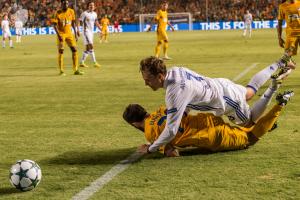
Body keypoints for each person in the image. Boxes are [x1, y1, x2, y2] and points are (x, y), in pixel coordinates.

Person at [138, 56, 295, 154]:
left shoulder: (174, 92)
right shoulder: (175, 71)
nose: (146, 83)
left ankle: (274, 86)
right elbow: (188, 96)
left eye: (148, 79)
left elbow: (171, 130)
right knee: (249, 92)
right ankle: (281, 61)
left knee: (250, 123)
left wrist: (151, 148)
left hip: (226, 101)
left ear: (159, 76)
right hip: (221, 85)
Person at [123, 91, 294, 157]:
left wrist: (151, 149)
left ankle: (281, 103)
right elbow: (186, 110)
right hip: (208, 120)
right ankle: (269, 123)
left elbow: (172, 153)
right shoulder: (161, 109)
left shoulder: (150, 134)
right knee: (245, 128)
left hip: (210, 137)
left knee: (250, 139)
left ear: (134, 124)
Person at [52, 0, 83, 76]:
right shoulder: (57, 13)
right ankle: (61, 70)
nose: (66, 4)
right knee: (61, 51)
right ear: (61, 4)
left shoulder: (71, 11)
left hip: (69, 34)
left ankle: (75, 69)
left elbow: (73, 23)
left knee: (74, 50)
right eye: (64, 3)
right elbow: (54, 25)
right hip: (61, 34)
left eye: (67, 3)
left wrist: (75, 33)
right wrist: (59, 35)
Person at [79, 1, 101, 68]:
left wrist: (100, 29)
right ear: (88, 6)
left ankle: (82, 62)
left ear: (94, 7)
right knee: (91, 46)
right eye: (90, 5)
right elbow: (80, 21)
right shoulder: (84, 14)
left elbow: (96, 22)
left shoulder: (95, 14)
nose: (92, 6)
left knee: (88, 48)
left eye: (93, 5)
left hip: (91, 32)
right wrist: (81, 28)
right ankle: (95, 62)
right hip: (86, 32)